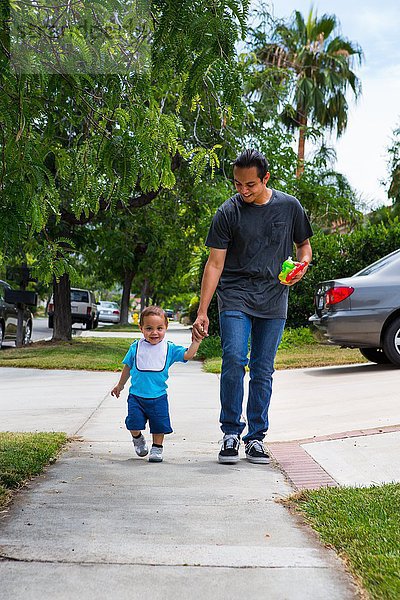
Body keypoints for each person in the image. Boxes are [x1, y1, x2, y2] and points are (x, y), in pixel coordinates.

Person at [193, 148, 313, 465]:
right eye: (237, 184)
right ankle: (231, 433)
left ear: (265, 179)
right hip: (235, 294)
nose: (243, 191)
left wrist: (302, 266)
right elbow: (215, 264)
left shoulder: (290, 207)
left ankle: (255, 438)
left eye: (250, 185)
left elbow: (304, 247)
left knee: (262, 368)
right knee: (233, 357)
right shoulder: (227, 213)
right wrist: (203, 311)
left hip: (274, 297)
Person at [111, 306, 201, 462]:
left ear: (166, 327)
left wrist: (197, 341)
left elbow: (188, 354)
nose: (154, 332)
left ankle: (157, 449)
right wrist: (120, 385)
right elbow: (127, 367)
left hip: (158, 397)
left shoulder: (169, 348)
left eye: (159, 328)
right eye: (149, 328)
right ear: (141, 329)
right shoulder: (136, 347)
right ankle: (137, 438)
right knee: (133, 423)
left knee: (159, 426)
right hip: (136, 396)